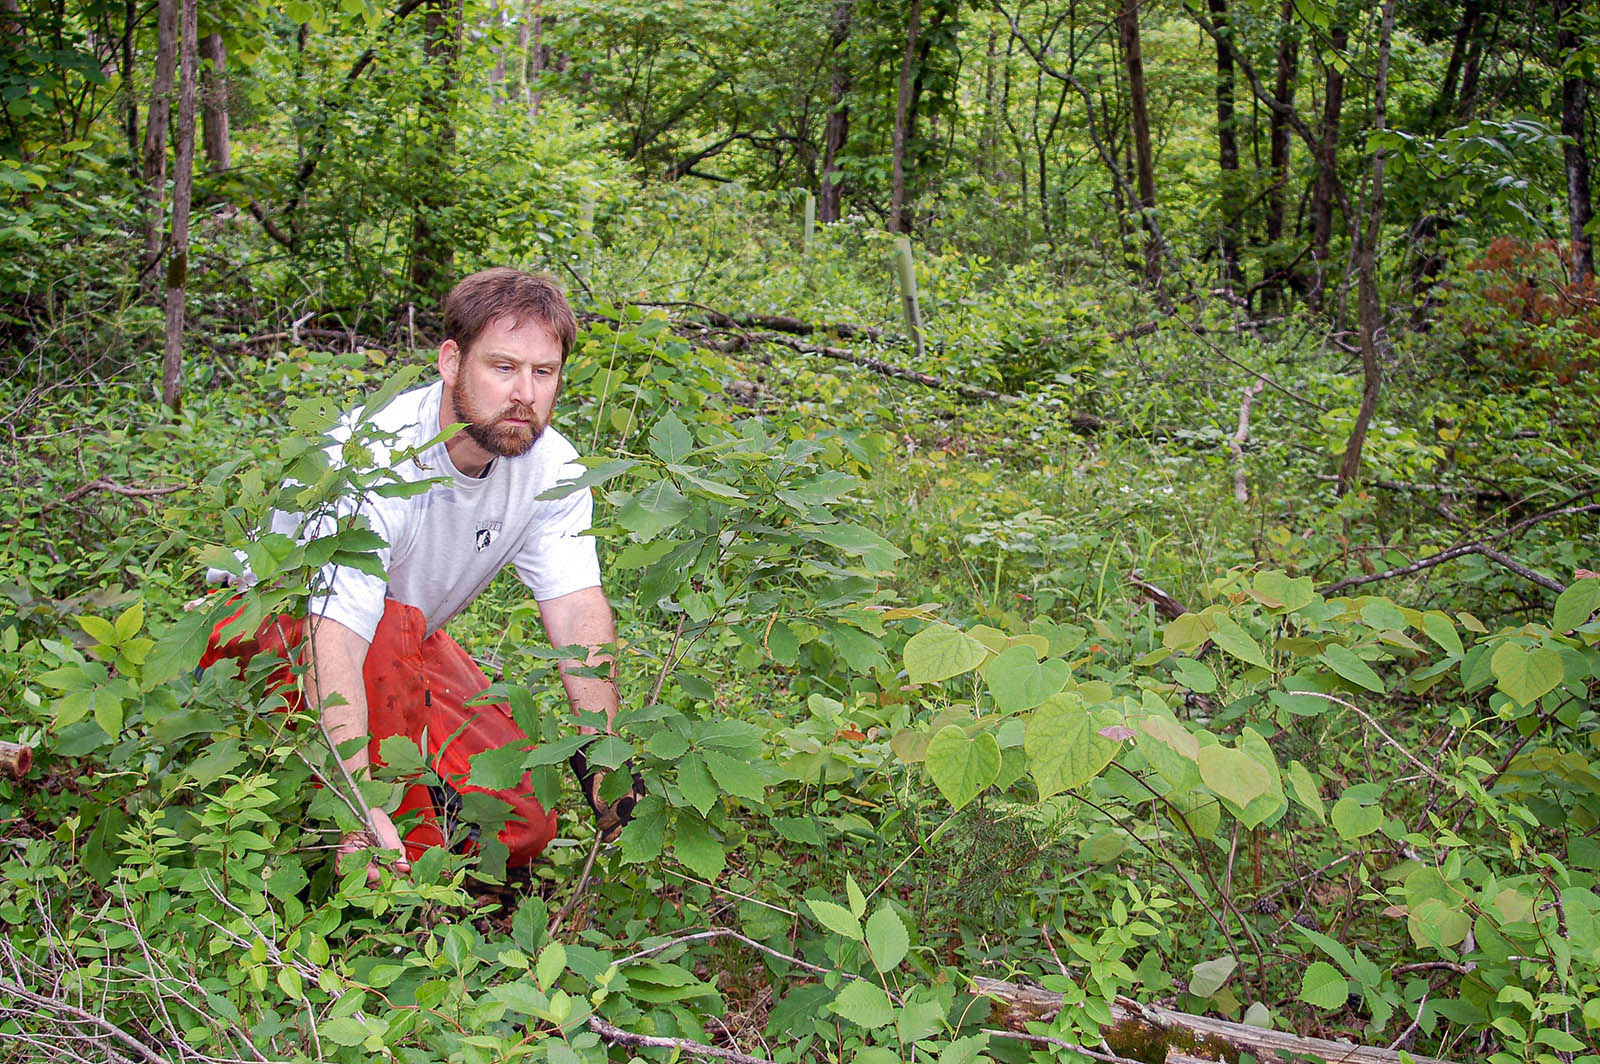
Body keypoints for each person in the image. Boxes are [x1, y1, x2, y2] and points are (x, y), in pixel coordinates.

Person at [203, 268, 641, 880]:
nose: (525, 393)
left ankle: (428, 832)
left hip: (402, 633)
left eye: (543, 373)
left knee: (524, 822)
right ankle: (388, 851)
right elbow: (335, 634)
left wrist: (603, 748)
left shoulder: (553, 465)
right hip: (269, 628)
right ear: (450, 362)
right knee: (395, 826)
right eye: (503, 367)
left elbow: (575, 607)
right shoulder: (374, 460)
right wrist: (360, 807)